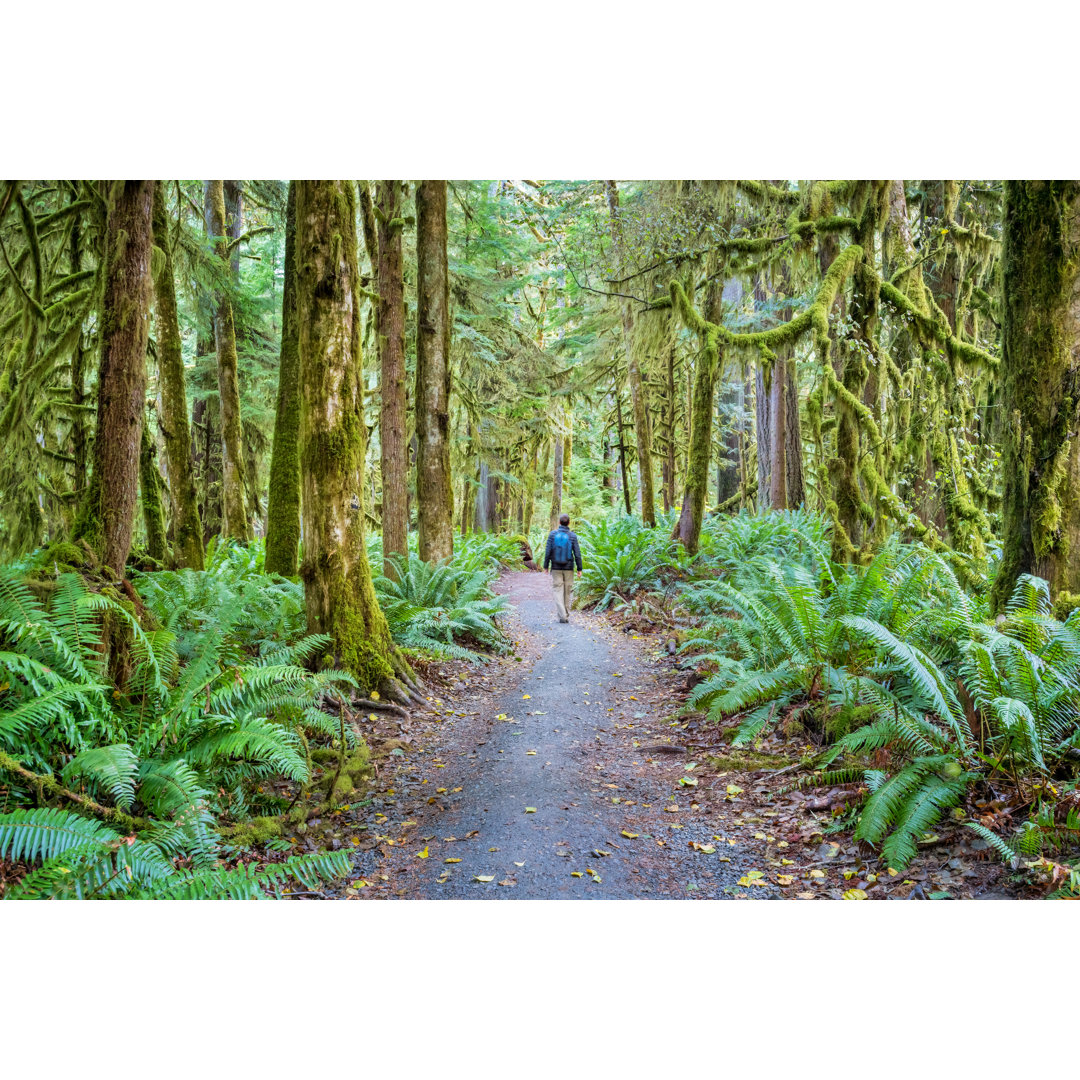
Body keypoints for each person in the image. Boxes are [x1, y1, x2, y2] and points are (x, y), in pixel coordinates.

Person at [543, 513, 582, 623]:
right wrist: (580, 569)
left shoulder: (552, 534)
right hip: (569, 568)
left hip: (555, 568)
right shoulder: (572, 536)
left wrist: (546, 566)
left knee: (557, 590)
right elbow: (577, 553)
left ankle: (562, 615)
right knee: (567, 591)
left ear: (559, 522)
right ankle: (565, 614)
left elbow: (548, 551)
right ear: (569, 523)